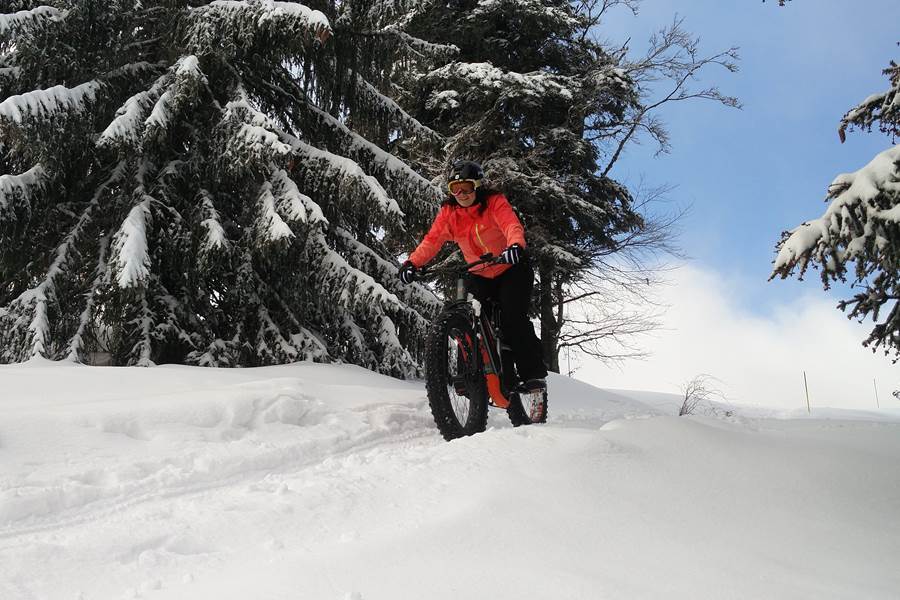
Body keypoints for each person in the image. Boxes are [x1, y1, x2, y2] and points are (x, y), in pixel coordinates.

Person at [398, 160, 548, 391]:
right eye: (454, 188)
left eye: (466, 188)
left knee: (512, 318)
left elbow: (511, 225)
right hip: (479, 272)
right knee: (468, 320)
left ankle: (533, 375)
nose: (461, 194)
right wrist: (412, 263)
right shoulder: (450, 213)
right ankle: (468, 378)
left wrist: (515, 246)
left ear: (477, 186)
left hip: (511, 268)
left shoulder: (493, 202)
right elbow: (432, 240)